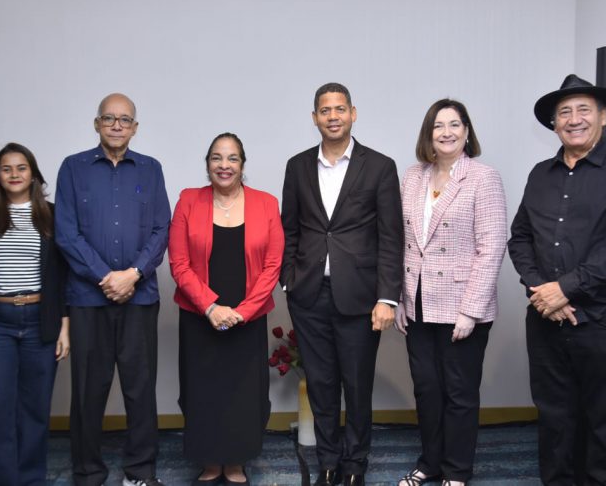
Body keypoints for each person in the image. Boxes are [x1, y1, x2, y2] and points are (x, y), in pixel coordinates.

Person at [508, 74, 606, 485]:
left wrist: (565, 289)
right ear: (553, 124)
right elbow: (519, 238)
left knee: (604, 423)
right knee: (554, 420)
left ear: (603, 117)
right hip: (546, 320)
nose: (573, 119)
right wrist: (542, 292)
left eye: (583, 110)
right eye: (564, 112)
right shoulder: (540, 174)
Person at [281, 82, 403, 486]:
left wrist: (388, 297)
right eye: (324, 110)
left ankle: (356, 464)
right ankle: (328, 461)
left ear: (353, 113)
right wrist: (289, 281)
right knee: (320, 383)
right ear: (314, 117)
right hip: (309, 294)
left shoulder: (380, 166)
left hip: (362, 297)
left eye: (339, 109)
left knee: (357, 384)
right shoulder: (297, 166)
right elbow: (290, 229)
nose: (332, 116)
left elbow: (390, 237)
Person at [55, 93, 171, 486]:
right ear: (97, 124)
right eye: (109, 118)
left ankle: (140, 472)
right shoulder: (72, 169)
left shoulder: (151, 170)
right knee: (89, 391)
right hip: (88, 299)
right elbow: (66, 233)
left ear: (135, 127)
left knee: (140, 391)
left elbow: (161, 230)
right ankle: (88, 472)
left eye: (125, 120)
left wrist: (133, 274)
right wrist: (107, 277)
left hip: (140, 298)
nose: (117, 125)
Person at [395, 100, 507, 486]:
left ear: (467, 131)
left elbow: (491, 246)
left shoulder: (483, 177)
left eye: (454, 124)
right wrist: (399, 299)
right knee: (426, 390)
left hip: (462, 305)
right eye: (438, 126)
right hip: (418, 302)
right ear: (428, 134)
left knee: (459, 393)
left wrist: (471, 310)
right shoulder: (413, 177)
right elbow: (402, 242)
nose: (446, 132)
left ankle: (457, 472)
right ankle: (430, 464)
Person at [168, 132, 284, 486]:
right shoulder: (189, 200)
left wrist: (244, 311)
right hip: (200, 316)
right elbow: (179, 263)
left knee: (242, 393)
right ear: (207, 164)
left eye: (232, 158)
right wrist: (210, 307)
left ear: (243, 165)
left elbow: (273, 265)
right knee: (203, 390)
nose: (224, 165)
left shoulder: (266, 203)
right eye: (217, 158)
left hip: (247, 318)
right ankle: (209, 460)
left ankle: (236, 461)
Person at [0, 142, 69, 485]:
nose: (15, 174)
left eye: (21, 168)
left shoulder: (52, 215)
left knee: (35, 411)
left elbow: (61, 278)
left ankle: (30, 479)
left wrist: (63, 328)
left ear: (33, 173)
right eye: (7, 168)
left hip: (39, 322)